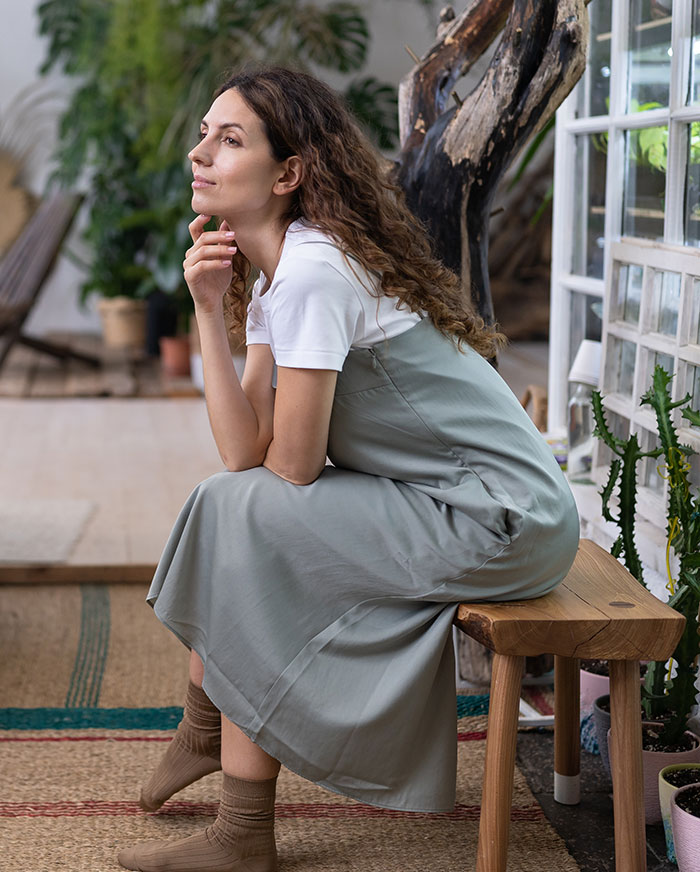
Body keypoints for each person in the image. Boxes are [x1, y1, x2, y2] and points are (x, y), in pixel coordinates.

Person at [117, 66, 579, 872]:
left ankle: (231, 799)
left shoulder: (314, 274)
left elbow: (289, 469)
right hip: (455, 502)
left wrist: (222, 326)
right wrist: (204, 310)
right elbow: (241, 453)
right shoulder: (281, 276)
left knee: (246, 512)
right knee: (230, 498)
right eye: (204, 135)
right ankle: (214, 750)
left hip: (503, 517)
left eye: (230, 140)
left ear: (289, 173)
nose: (201, 153)